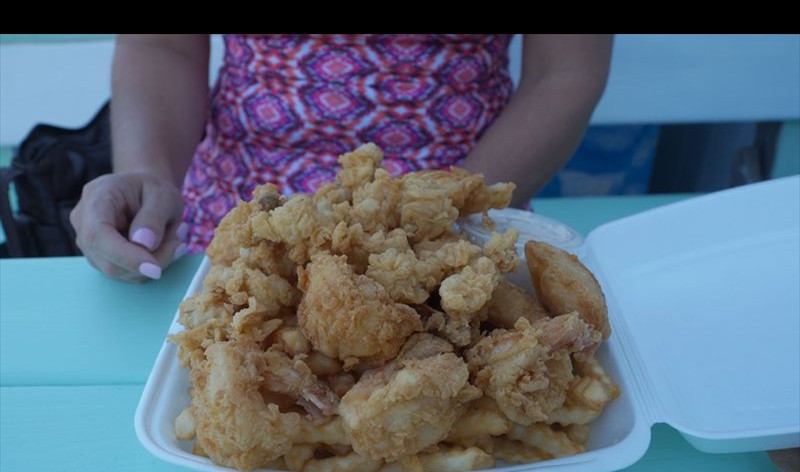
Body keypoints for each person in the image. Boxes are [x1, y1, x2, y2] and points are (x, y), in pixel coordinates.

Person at [69, 34, 613, 282]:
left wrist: (435, 218)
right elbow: (163, 45)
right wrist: (148, 174)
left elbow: (562, 74)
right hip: (237, 220)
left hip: (462, 220)